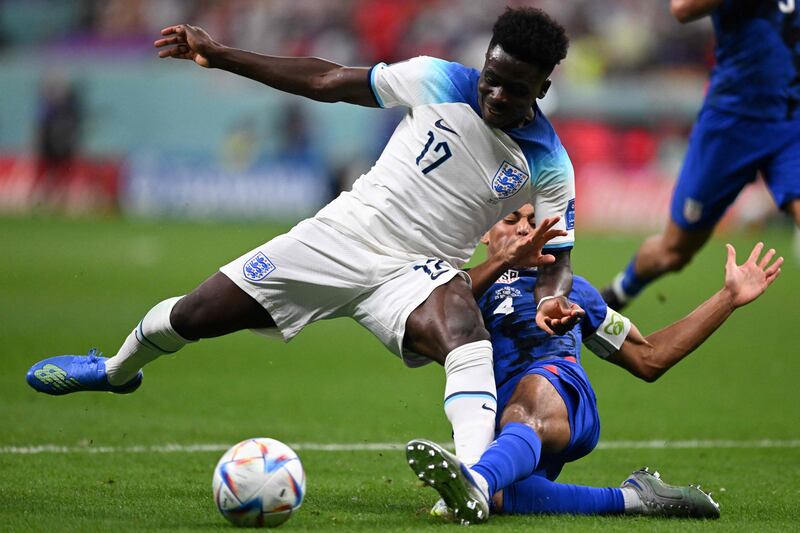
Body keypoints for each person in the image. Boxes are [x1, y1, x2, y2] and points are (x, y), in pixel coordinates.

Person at [25, 7, 582, 468]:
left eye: (515, 89)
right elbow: (327, 79)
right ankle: (114, 370)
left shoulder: (549, 161)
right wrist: (220, 54)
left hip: (421, 271)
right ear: (484, 61)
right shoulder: (437, 78)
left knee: (467, 335)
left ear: (543, 87)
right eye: (492, 77)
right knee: (194, 315)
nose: (497, 94)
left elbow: (557, 254)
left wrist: (553, 298)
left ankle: (476, 481)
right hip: (341, 236)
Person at [406, 203, 782, 524]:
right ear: (484, 230)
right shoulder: (457, 289)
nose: (524, 228)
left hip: (561, 396)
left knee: (527, 403)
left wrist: (727, 299)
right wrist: (503, 263)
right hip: (502, 419)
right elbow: (420, 325)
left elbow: (649, 358)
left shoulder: (571, 289)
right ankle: (635, 498)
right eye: (511, 219)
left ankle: (477, 480)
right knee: (503, 498)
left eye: (534, 221)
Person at [601, 0, 800, 310]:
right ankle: (617, 293)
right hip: (731, 124)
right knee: (674, 252)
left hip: (792, 120)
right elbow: (682, 8)